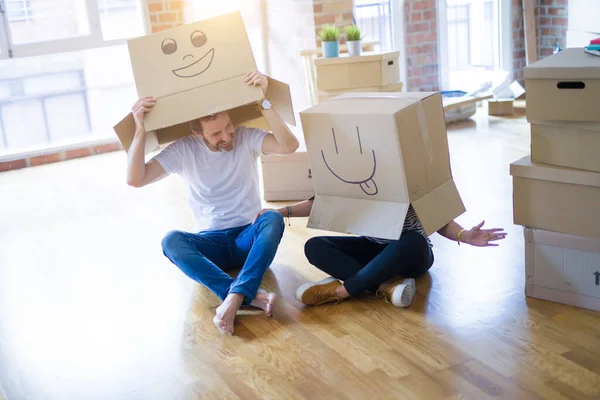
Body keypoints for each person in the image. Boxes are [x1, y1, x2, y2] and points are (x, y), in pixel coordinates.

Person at [127, 70, 299, 335]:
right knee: (171, 240)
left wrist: (264, 101)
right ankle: (243, 294)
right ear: (197, 132)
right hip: (212, 244)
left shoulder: (246, 137)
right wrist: (140, 130)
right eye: (216, 133)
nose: (227, 137)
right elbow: (136, 179)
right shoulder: (183, 149)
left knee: (272, 218)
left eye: (228, 126)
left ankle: (235, 296)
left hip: (247, 237)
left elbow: (289, 146)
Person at [257, 197, 506, 308]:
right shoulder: (354, 173)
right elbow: (320, 202)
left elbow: (438, 218)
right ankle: (385, 287)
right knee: (314, 246)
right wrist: (281, 212)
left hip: (411, 253)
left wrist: (464, 236)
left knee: (414, 240)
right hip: (373, 248)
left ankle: (344, 290)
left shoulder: (411, 175)